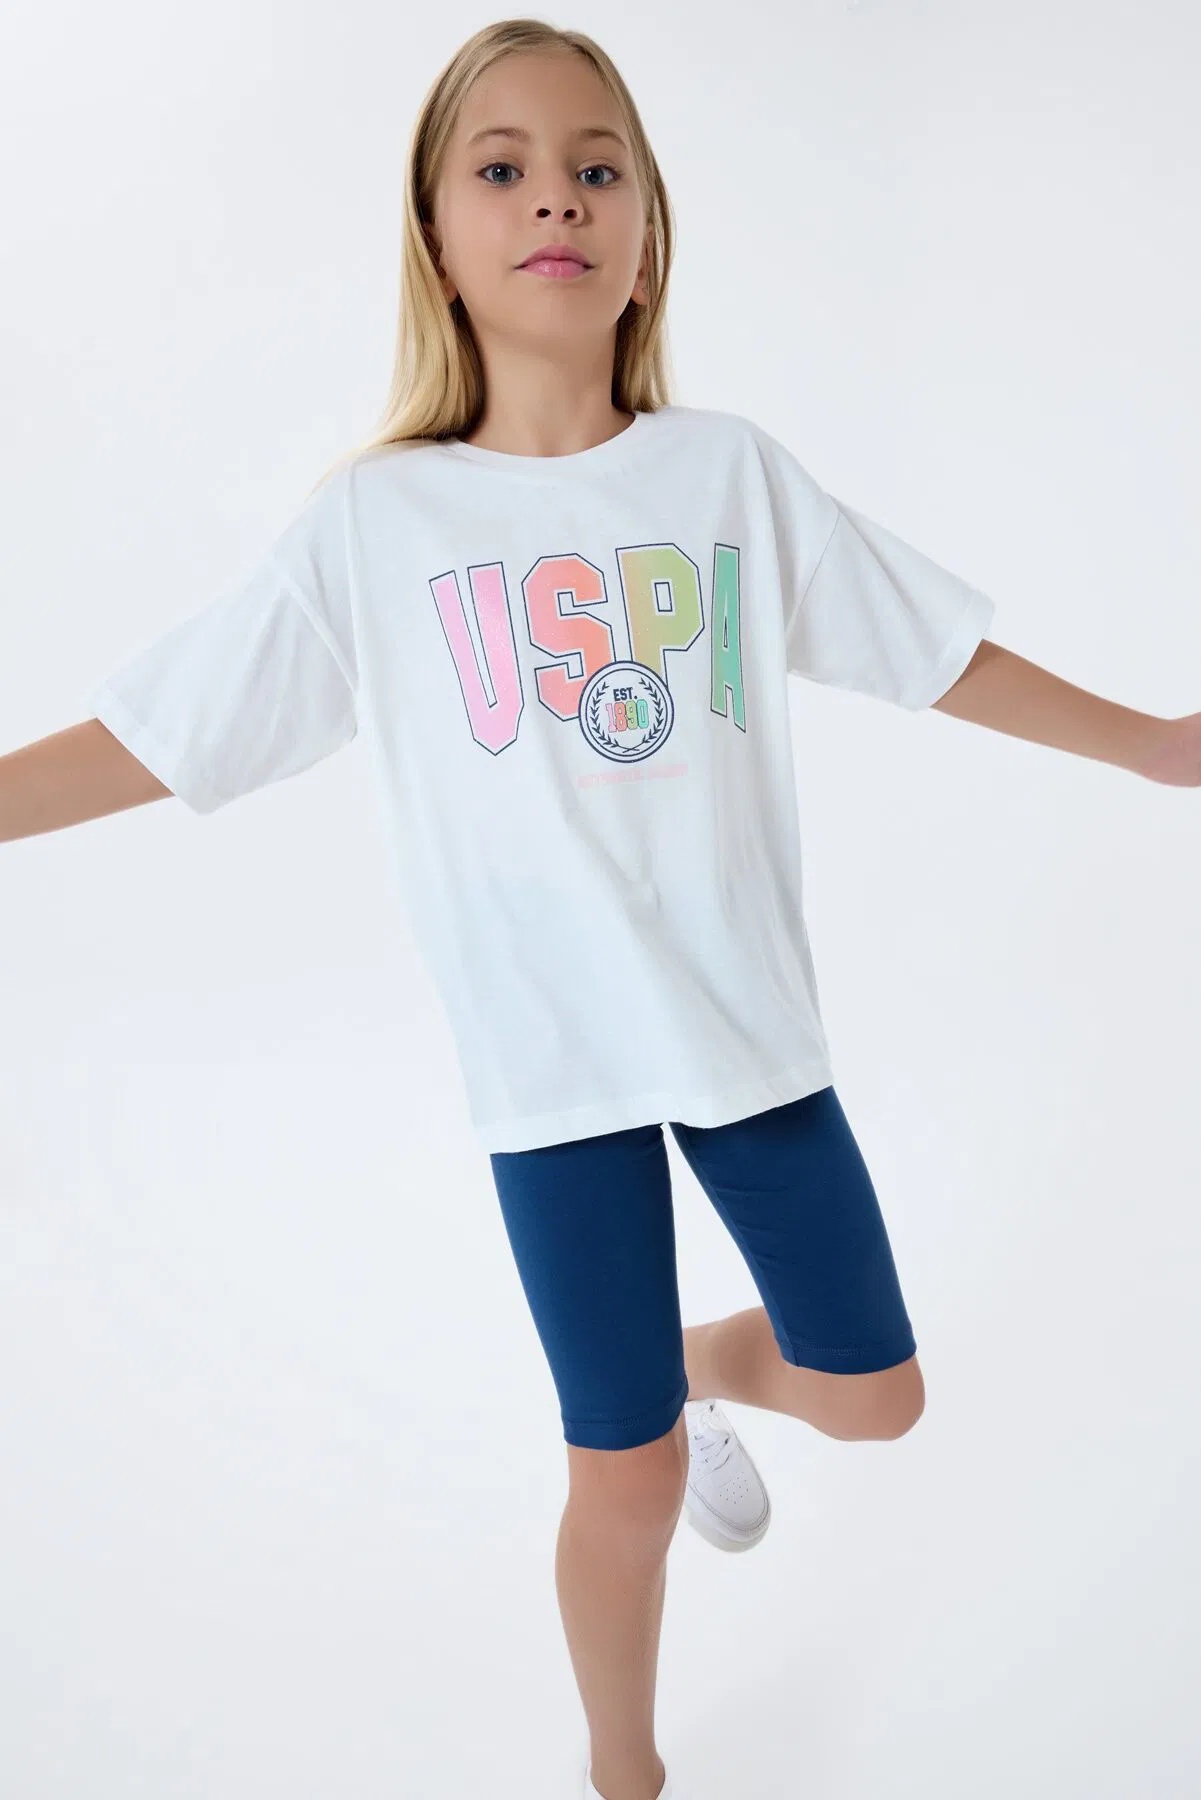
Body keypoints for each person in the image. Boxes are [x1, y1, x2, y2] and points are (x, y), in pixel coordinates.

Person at [4, 19, 1198, 1800]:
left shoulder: (726, 477)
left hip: (745, 1041)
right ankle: (621, 1773)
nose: (552, 196)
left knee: (874, 1394)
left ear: (646, 232)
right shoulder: (376, 526)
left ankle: (693, 1370)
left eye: (594, 166)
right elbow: (165, 732)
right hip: (551, 1076)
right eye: (500, 168)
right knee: (619, 1479)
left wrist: (1157, 747)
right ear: (434, 237)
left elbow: (931, 652)